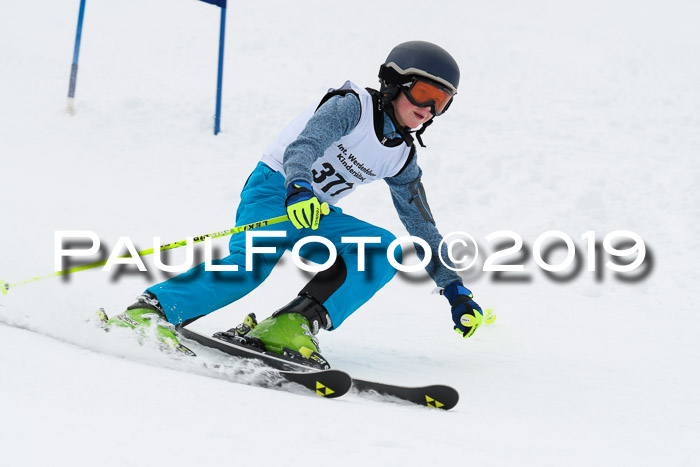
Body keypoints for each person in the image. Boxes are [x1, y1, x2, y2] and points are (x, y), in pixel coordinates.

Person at [105, 40, 484, 365]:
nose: (429, 110)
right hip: (276, 189)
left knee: (381, 250)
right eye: (424, 95)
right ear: (394, 84)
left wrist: (453, 288)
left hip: (317, 211)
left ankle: (290, 325)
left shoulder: (402, 156)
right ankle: (150, 312)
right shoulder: (352, 106)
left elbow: (421, 226)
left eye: (441, 102)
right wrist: (299, 187)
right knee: (250, 265)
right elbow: (303, 146)